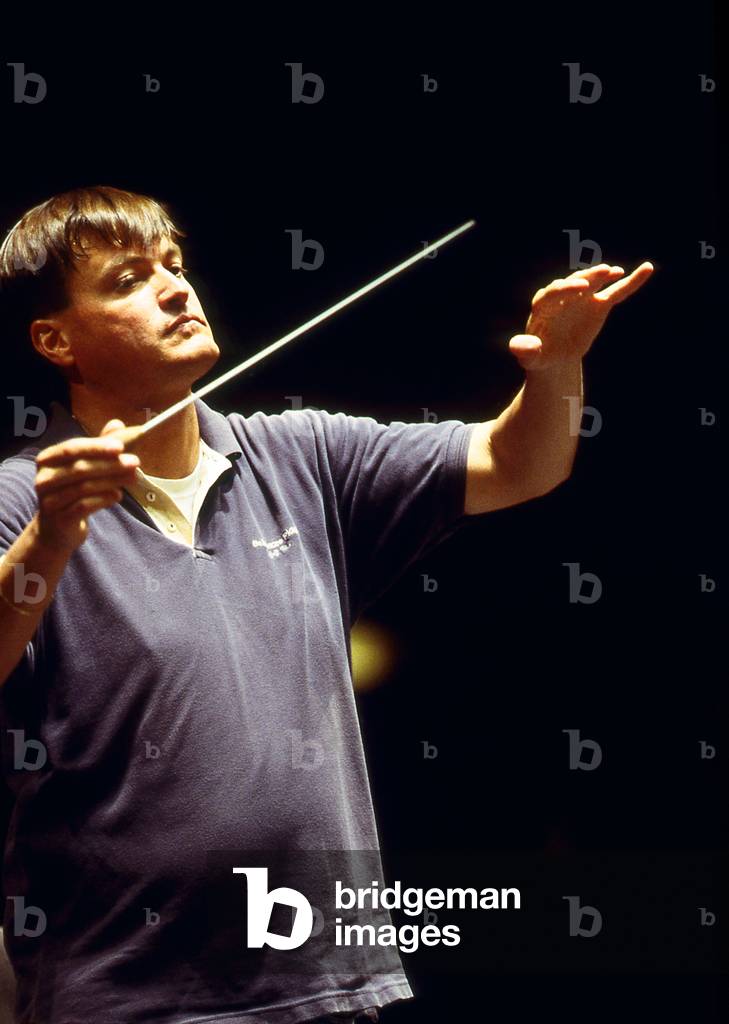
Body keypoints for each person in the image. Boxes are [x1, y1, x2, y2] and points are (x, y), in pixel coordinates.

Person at [0, 186, 652, 1023]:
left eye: (175, 265)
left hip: (325, 983)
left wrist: (556, 365)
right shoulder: (25, 498)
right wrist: (51, 538)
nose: (174, 289)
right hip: (126, 995)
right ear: (56, 339)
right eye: (129, 279)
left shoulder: (301, 452)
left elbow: (517, 463)